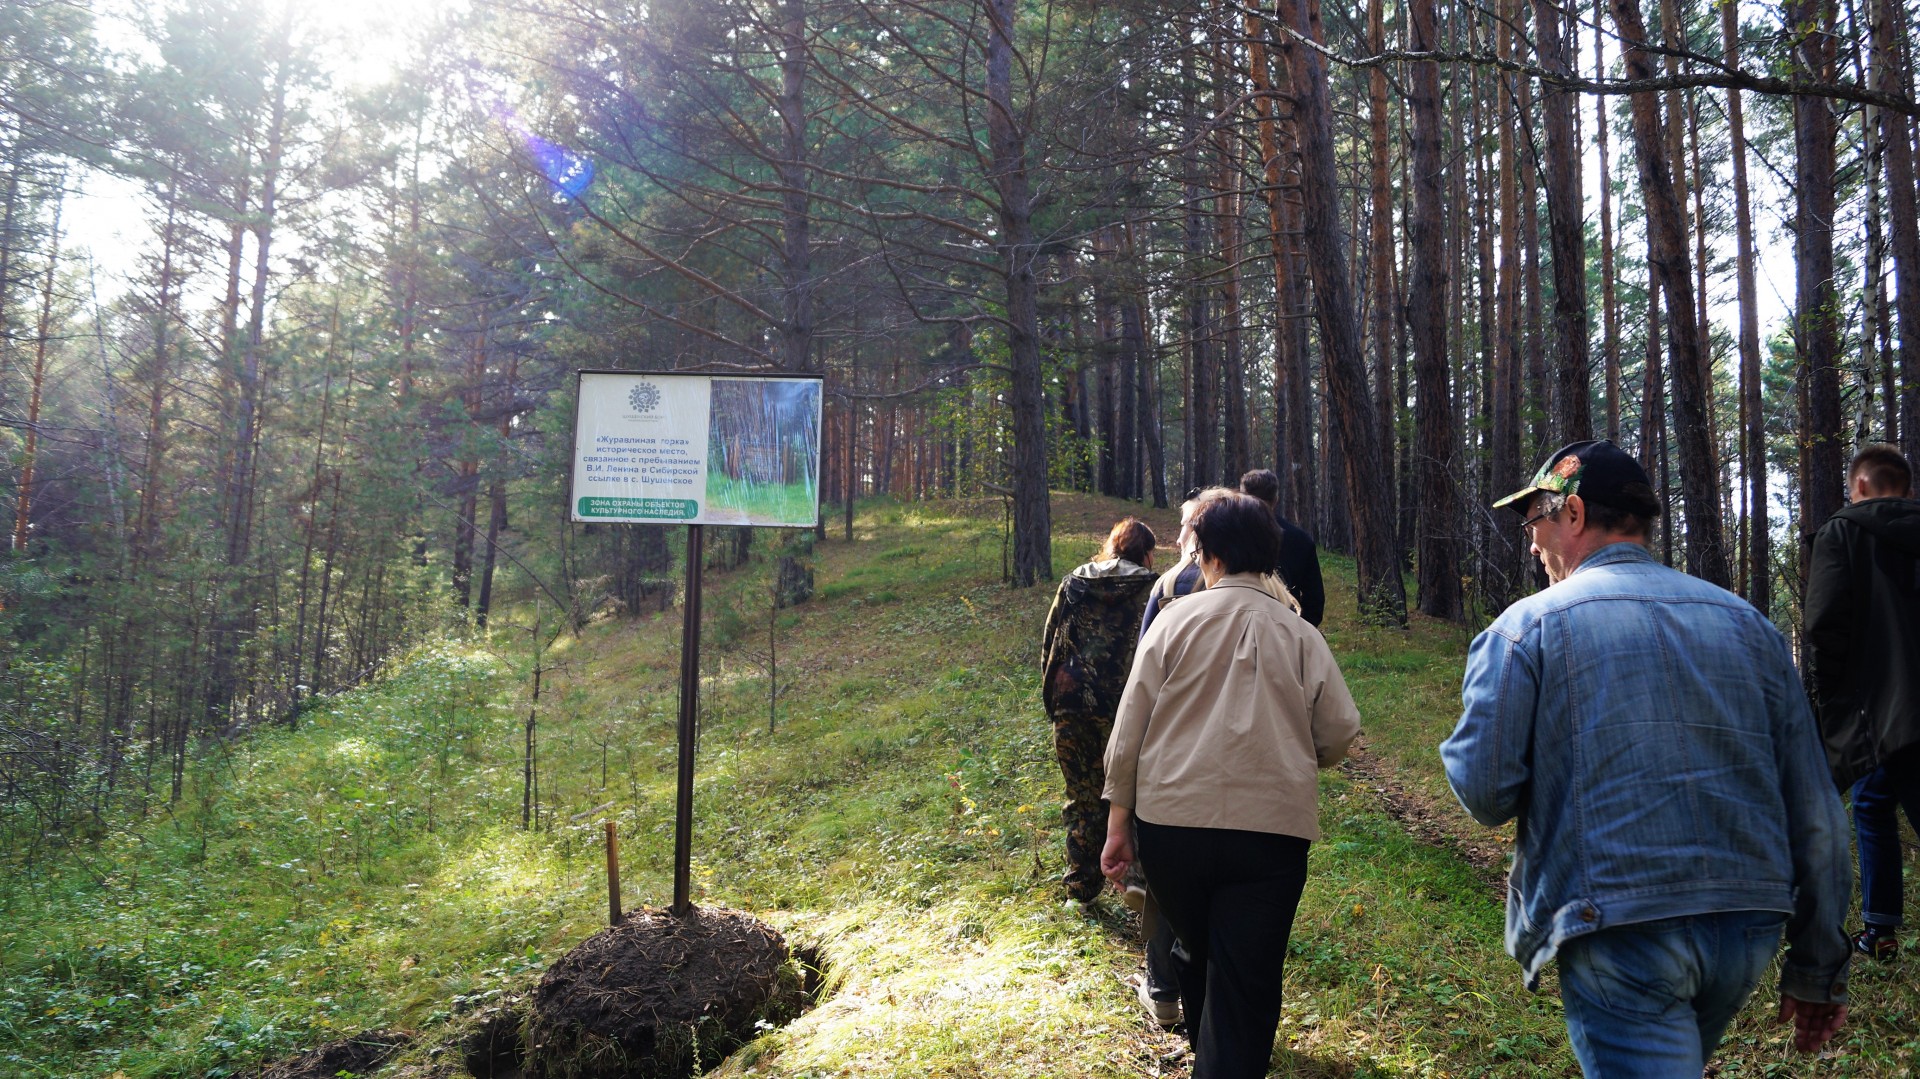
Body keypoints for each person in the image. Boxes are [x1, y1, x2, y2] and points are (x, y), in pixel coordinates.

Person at [1441, 439, 1853, 1076]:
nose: (1531, 543)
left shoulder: (1526, 629)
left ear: (1572, 515)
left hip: (1619, 927)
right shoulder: (1749, 626)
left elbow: (1485, 792)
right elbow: (1817, 810)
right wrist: (1818, 963)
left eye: (1535, 522)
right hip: (1746, 923)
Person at [1101, 492, 1359, 1078]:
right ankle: (1220, 1059)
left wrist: (1119, 827)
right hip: (1271, 835)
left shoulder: (1170, 623)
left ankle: (1209, 1051)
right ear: (1269, 555)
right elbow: (1340, 732)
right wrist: (1300, 755)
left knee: (1196, 946)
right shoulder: (1300, 636)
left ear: (1207, 554)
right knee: (1247, 973)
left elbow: (1128, 732)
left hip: (1171, 829)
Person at [1804, 442, 1920, 962]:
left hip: (1886, 707)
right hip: (1896, 711)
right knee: (1872, 801)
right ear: (1908, 488)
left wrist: (1831, 702)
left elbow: (1824, 624)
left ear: (1862, 487)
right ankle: (1880, 928)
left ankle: (1880, 928)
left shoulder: (1843, 531)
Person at [1041, 516, 1158, 906]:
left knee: (1081, 794)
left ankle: (1079, 890)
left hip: (1071, 699)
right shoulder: (1152, 587)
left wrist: (1053, 695)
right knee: (1132, 792)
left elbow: (1051, 638)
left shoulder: (1074, 581)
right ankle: (1137, 878)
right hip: (1126, 706)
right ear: (1146, 553)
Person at [1237, 469, 1324, 627]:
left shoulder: (1227, 536)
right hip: (1285, 628)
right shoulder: (1300, 539)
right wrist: (1299, 632)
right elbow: (1314, 601)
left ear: (1242, 496)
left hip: (1236, 627)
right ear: (1276, 499)